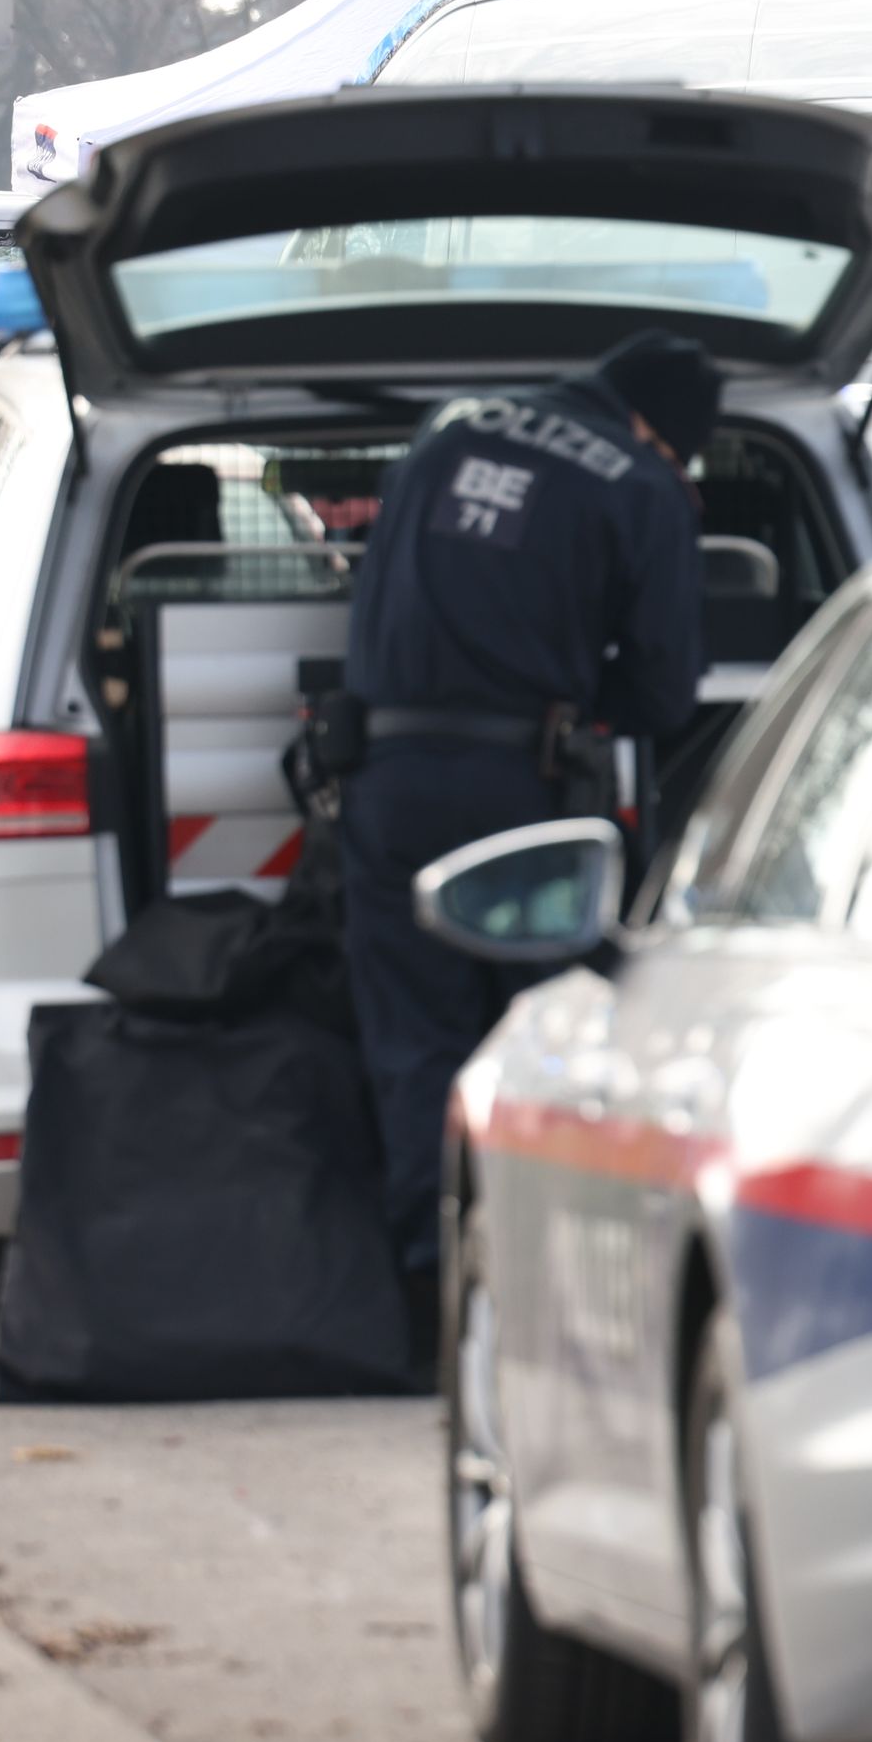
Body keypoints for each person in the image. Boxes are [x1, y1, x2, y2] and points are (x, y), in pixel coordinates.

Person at [340, 330, 714, 1316]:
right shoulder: (640, 482)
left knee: (410, 1036)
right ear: (659, 429)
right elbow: (666, 691)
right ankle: (539, 1293)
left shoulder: (446, 425)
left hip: (379, 776)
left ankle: (430, 1292)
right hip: (514, 790)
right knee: (538, 1033)